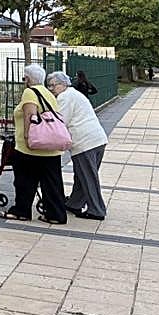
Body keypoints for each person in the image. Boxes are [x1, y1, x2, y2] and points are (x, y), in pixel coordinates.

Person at [0, 63, 68, 224]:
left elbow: (30, 115)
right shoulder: (48, 93)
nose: (24, 80)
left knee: (24, 181)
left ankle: (21, 211)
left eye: (24, 78)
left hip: (31, 148)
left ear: (28, 79)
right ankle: (56, 215)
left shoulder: (30, 92)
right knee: (52, 182)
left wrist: (28, 138)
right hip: (51, 148)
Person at [47, 70, 108, 220]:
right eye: (49, 86)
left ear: (62, 84)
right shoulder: (74, 94)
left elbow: (61, 120)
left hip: (84, 142)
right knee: (83, 177)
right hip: (97, 139)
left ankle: (97, 210)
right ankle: (74, 203)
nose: (51, 89)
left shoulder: (65, 97)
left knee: (88, 178)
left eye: (53, 86)